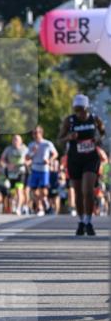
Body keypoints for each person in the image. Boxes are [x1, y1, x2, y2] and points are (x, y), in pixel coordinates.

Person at [57, 94, 106, 236]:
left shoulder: (95, 119)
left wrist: (98, 138)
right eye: (77, 109)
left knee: (88, 191)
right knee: (78, 192)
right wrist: (68, 137)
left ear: (87, 107)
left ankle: (89, 221)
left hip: (91, 158)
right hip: (74, 159)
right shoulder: (70, 121)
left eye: (82, 109)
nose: (79, 113)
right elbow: (60, 139)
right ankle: (81, 221)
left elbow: (102, 133)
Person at [25, 126, 58, 216]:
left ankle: (45, 200)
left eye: (37, 132)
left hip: (44, 169)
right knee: (34, 190)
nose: (35, 135)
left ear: (41, 133)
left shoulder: (47, 143)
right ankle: (40, 207)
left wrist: (50, 160)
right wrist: (33, 152)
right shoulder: (31, 145)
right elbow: (27, 157)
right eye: (34, 133)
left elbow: (55, 154)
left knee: (43, 190)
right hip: (35, 168)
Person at [0, 134, 28, 215]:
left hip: (20, 172)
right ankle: (14, 206)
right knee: (12, 192)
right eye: (14, 139)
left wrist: (25, 163)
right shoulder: (8, 149)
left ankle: (18, 208)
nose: (15, 141)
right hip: (11, 173)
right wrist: (7, 165)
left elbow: (30, 159)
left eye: (17, 139)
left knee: (19, 190)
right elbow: (2, 160)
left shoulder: (24, 149)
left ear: (21, 141)